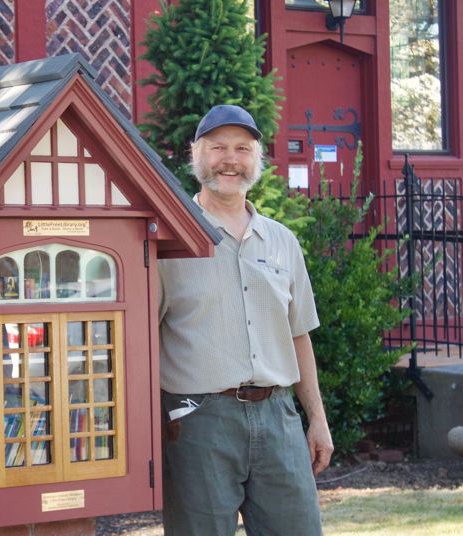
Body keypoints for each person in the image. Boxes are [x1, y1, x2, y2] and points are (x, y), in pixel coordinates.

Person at [158, 104, 333, 535]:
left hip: (278, 417)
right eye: (217, 147)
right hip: (197, 422)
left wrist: (317, 419)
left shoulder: (282, 241)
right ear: (195, 154)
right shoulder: (168, 241)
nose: (230, 159)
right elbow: (140, 341)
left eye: (242, 148)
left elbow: (298, 335)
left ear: (257, 158)